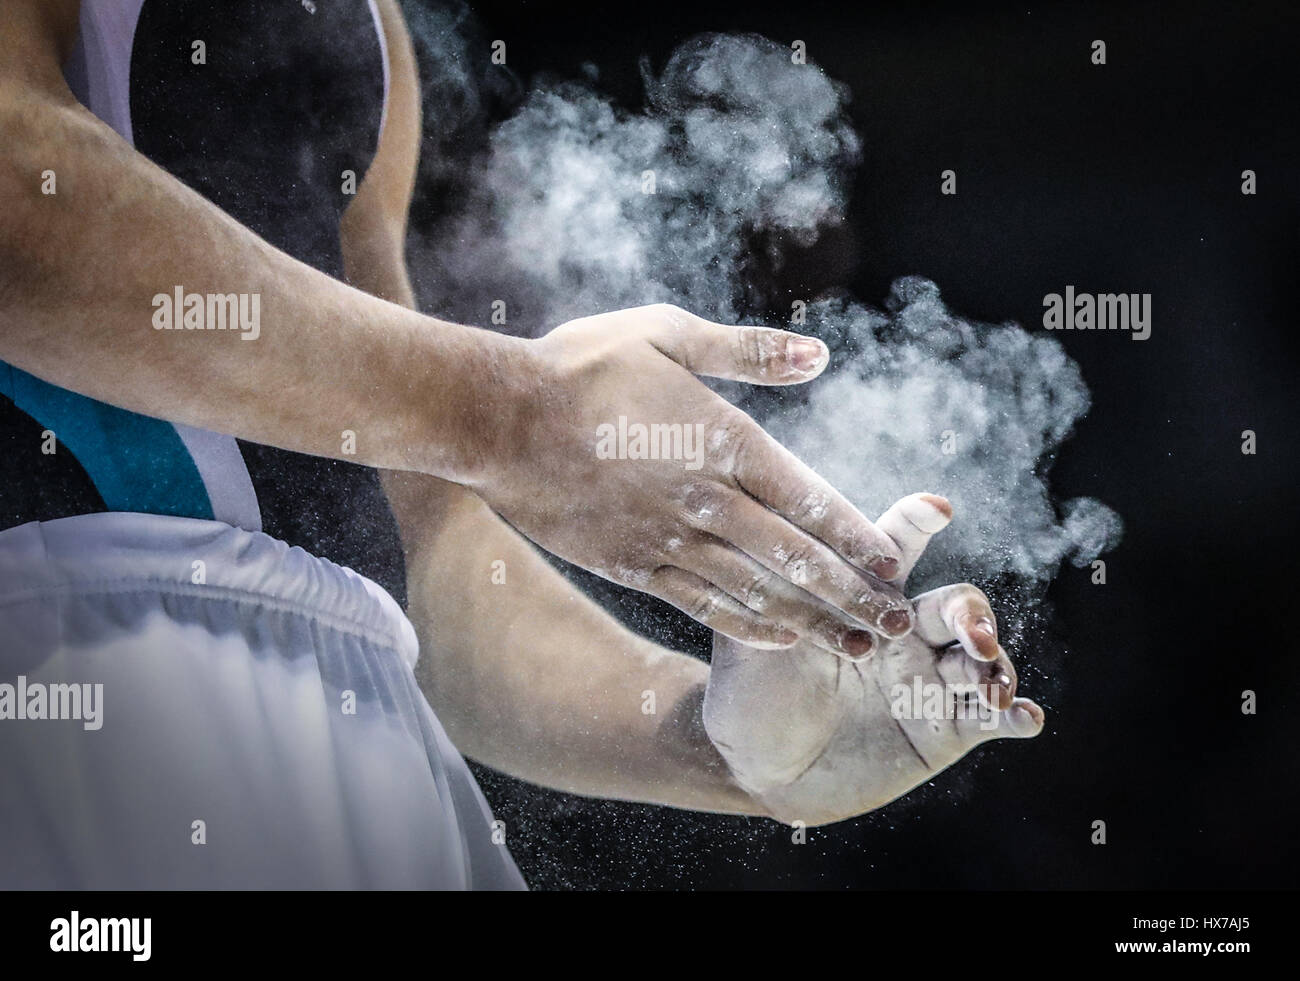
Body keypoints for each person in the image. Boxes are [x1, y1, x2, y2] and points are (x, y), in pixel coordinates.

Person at [0, 0, 1040, 889]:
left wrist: (720, 748)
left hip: (366, 742)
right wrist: (515, 415)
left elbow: (411, 548)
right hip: (73, 674)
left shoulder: (374, 29)